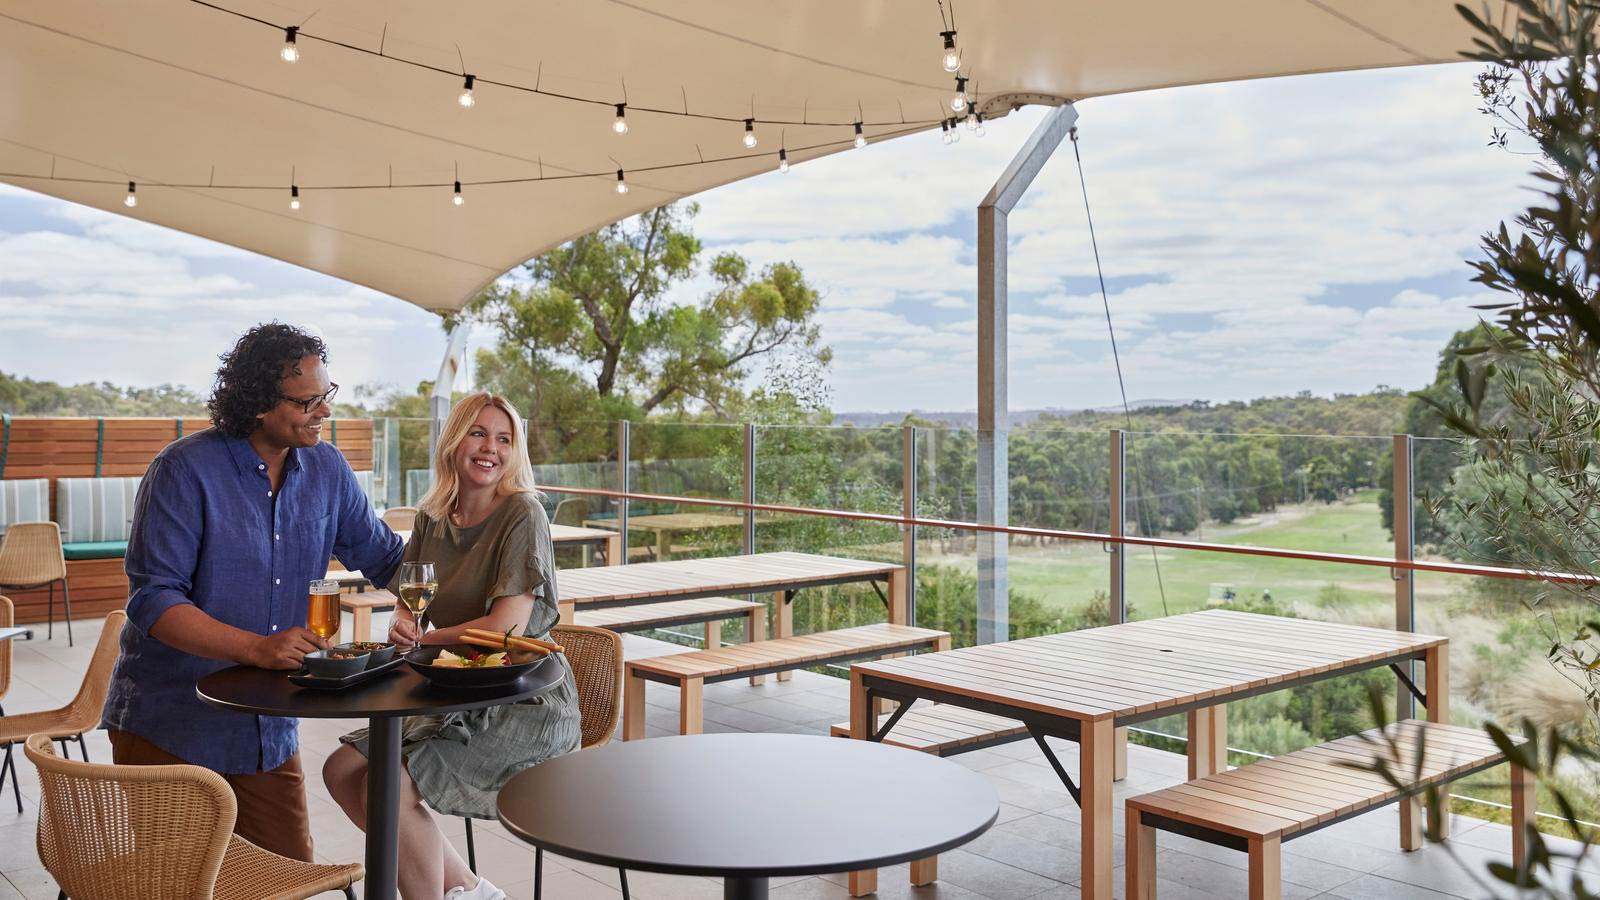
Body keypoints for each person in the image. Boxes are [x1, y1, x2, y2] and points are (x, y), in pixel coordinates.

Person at [102, 323, 403, 862]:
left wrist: (485, 556)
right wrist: (255, 648)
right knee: (176, 887)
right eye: (308, 400)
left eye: (326, 395)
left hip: (265, 727)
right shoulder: (184, 469)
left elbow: (386, 558)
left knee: (287, 878)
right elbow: (154, 600)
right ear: (261, 403)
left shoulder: (329, 469)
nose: (323, 411)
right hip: (172, 722)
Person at [322, 392, 580, 900]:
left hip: (520, 696)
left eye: (504, 439)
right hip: (451, 689)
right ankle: (468, 890)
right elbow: (408, 597)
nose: (491, 448)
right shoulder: (433, 515)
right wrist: (403, 623)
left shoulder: (523, 513)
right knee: (341, 769)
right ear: (454, 441)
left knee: (385, 785)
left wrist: (423, 636)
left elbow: (507, 626)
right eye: (478, 433)